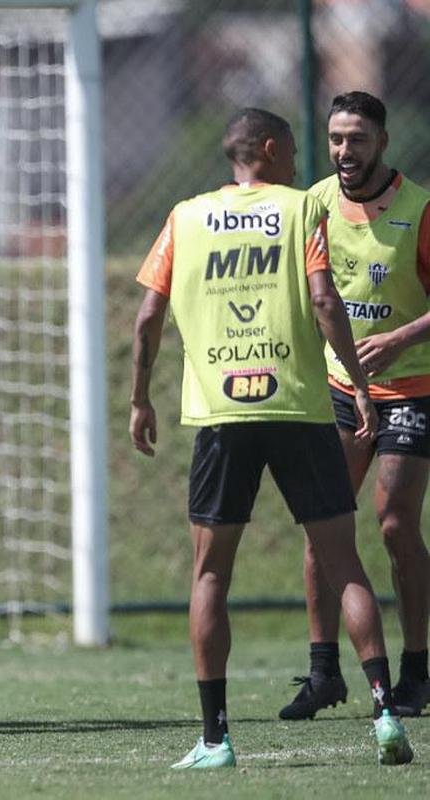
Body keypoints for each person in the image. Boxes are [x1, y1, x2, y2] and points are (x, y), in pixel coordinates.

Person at [130, 107, 412, 767]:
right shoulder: (296, 210)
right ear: (266, 149)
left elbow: (146, 314)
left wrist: (140, 396)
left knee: (209, 573)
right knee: (343, 560)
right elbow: (322, 300)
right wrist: (360, 387)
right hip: (299, 407)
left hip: (222, 416)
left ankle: (214, 738)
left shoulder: (184, 216)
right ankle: (382, 714)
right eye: (289, 152)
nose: (296, 164)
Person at [283, 91, 430, 720]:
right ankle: (324, 673)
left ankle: (417, 671)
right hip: (340, 390)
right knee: (324, 526)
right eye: (337, 138)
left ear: (383, 143)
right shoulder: (312, 204)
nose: (345, 151)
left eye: (358, 139)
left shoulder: (420, 209)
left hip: (414, 388)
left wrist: (400, 337)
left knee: (394, 523)